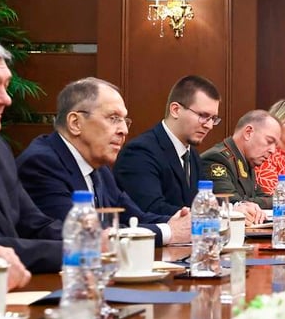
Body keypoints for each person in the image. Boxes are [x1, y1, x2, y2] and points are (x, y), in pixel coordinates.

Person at [16, 77, 192, 246]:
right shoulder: (41, 164)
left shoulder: (99, 167)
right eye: (113, 118)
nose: (124, 130)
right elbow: (82, 235)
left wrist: (177, 222)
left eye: (125, 121)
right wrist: (168, 232)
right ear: (75, 123)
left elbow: (134, 218)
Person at [0, 34, 63, 273]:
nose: (6, 99)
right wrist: (74, 251)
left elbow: (32, 223)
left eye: (6, 86)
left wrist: (89, 241)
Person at [114, 75, 220, 216]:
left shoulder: (191, 154)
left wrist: (232, 208)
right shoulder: (139, 152)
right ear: (175, 110)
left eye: (213, 118)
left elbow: (203, 201)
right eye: (203, 116)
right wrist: (208, 214)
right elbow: (152, 209)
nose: (209, 126)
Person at [201, 110, 279, 217]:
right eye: (269, 141)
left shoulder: (247, 160)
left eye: (275, 145)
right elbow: (231, 202)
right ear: (248, 133)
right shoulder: (217, 159)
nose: (273, 150)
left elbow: (261, 196)